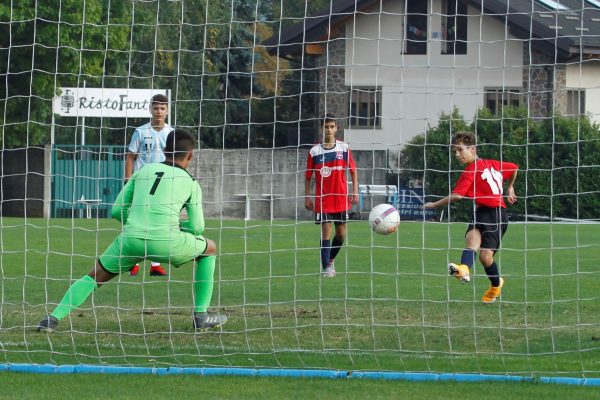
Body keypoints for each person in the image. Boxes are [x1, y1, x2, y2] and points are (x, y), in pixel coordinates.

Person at [38, 129, 227, 332]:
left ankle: (52, 319)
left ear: (164, 150)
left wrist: (138, 224)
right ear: (191, 155)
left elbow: (117, 210)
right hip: (167, 243)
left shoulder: (142, 171)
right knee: (210, 249)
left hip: (130, 240)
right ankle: (201, 315)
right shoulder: (191, 183)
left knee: (94, 276)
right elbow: (198, 227)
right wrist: (179, 227)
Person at [423, 131, 518, 303]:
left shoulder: (470, 171)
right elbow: (514, 168)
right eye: (455, 152)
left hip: (496, 214)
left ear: (472, 149)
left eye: (460, 150)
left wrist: (435, 204)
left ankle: (496, 285)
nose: (457, 155)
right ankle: (464, 269)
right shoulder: (493, 164)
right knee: (471, 240)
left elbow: (457, 195)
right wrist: (509, 187)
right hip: (481, 211)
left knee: (485, 257)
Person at [305, 114, 359, 278]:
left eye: (331, 126)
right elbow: (308, 176)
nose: (329, 129)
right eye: (326, 127)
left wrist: (355, 190)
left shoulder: (343, 148)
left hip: (341, 197)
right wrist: (307, 197)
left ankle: (330, 259)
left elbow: (353, 170)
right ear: (322, 128)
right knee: (326, 230)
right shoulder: (314, 151)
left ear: (336, 128)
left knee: (341, 234)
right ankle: (326, 269)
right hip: (323, 199)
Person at [125, 93, 172, 277]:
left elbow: (174, 159)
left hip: (162, 185)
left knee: (158, 223)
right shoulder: (140, 132)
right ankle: (133, 262)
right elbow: (130, 157)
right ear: (150, 109)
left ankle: (155, 264)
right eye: (156, 108)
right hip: (142, 183)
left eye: (162, 108)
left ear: (167, 111)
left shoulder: (171, 133)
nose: (159, 111)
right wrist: (128, 182)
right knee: (138, 222)